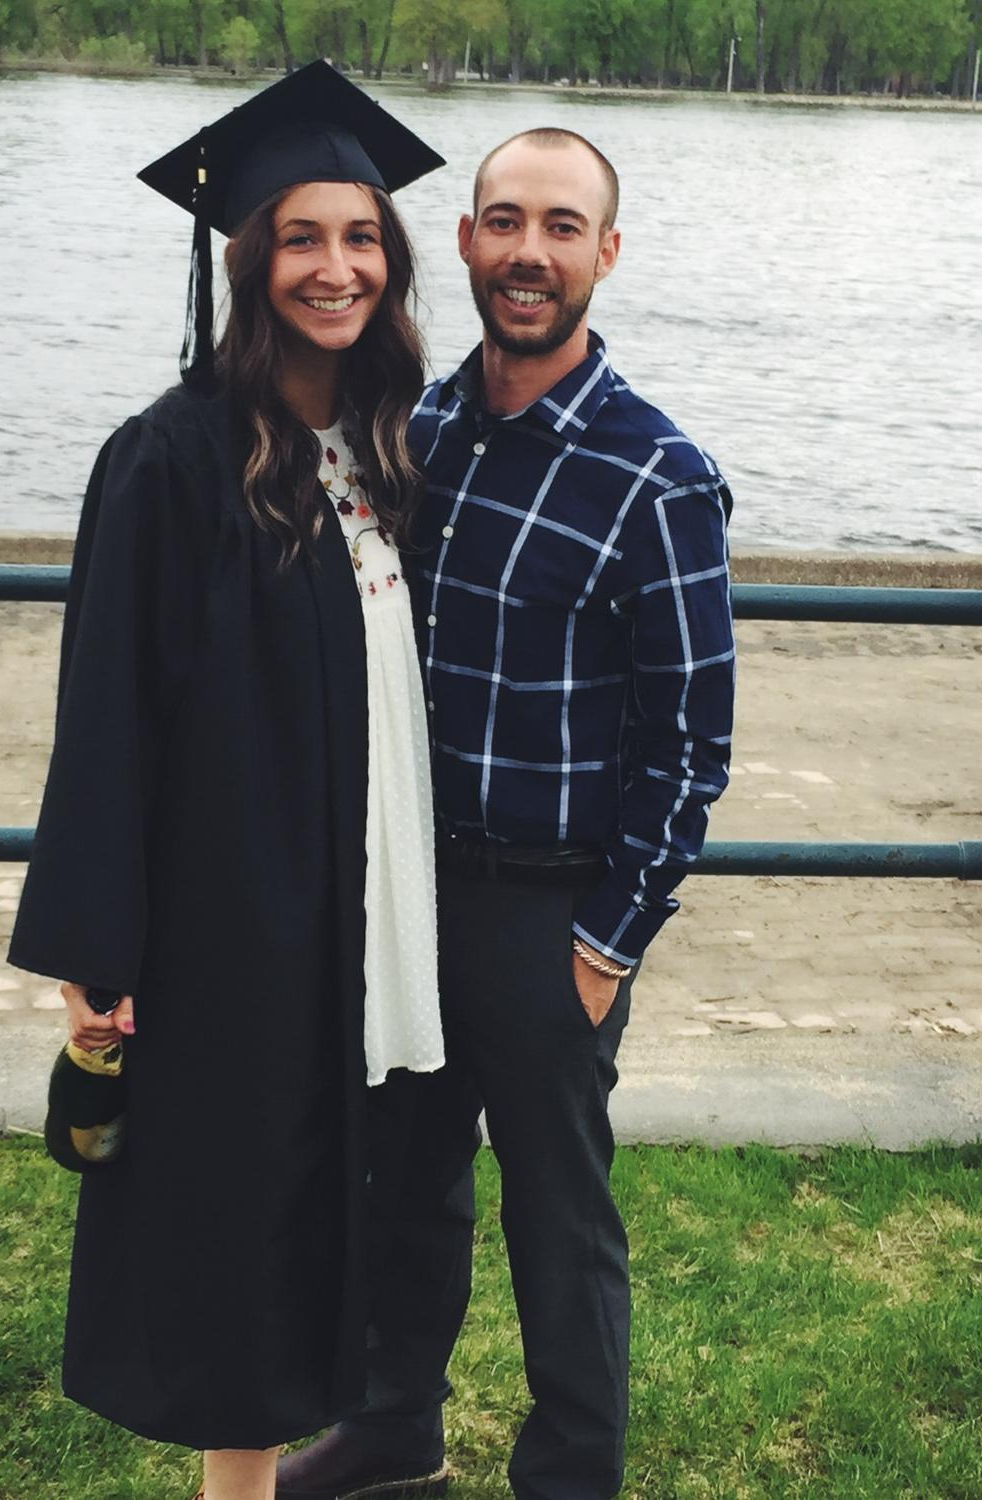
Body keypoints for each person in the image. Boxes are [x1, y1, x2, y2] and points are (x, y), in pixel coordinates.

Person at [7, 62, 446, 1500]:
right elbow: (107, 712)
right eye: (301, 238)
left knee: (343, 1205)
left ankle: (373, 1441)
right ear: (248, 260)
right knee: (245, 1229)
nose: (337, 269)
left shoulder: (387, 446)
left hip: (374, 904)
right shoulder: (173, 457)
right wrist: (97, 948)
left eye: (362, 237)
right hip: (238, 921)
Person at [277, 129, 736, 1500]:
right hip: (414, 892)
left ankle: (572, 1473)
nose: (529, 252)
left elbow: (690, 744)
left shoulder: (657, 477)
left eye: (561, 226)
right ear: (468, 242)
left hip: (552, 915)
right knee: (402, 1182)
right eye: (503, 221)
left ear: (606, 253)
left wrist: (608, 943)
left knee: (559, 1218)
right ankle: (392, 1425)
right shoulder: (415, 435)